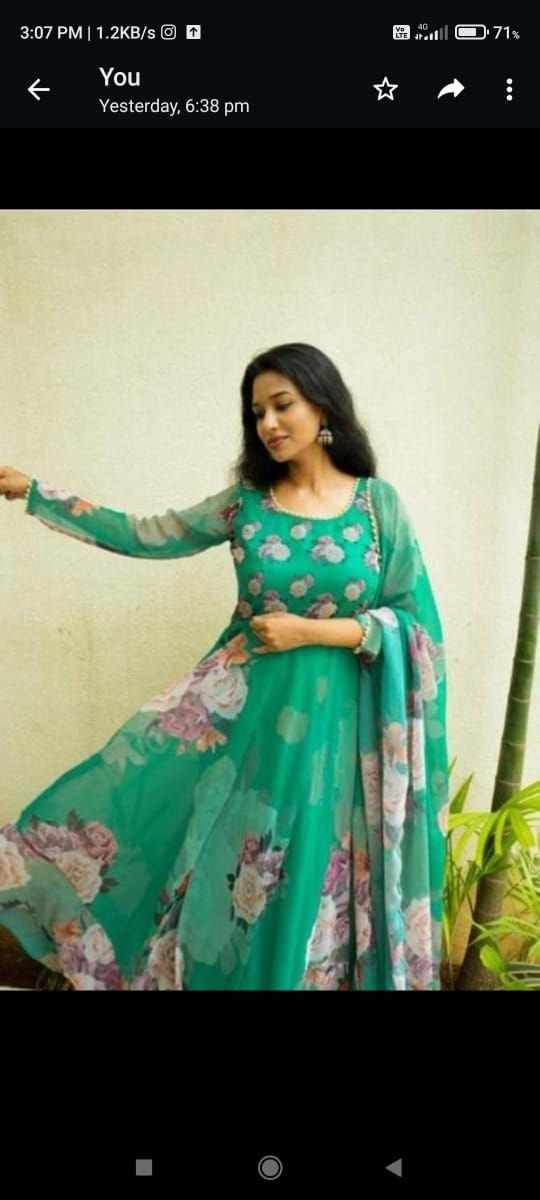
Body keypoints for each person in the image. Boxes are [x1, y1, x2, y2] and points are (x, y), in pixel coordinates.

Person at [0, 342, 449, 990]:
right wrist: (40, 494)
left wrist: (310, 631)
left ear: (323, 406)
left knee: (319, 880)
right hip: (253, 730)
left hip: (344, 738)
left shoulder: (378, 506)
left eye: (282, 405)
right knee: (249, 876)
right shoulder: (247, 503)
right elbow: (146, 534)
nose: (268, 423)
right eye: (256, 412)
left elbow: (416, 627)